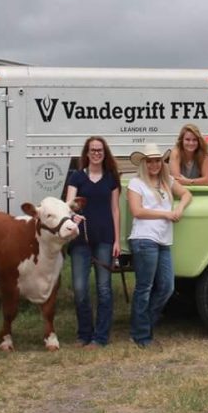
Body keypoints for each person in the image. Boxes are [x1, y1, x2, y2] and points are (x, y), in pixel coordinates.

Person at [127, 143, 192, 348]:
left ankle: (143, 326)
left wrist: (179, 208)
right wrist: (166, 213)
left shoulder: (167, 181)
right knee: (144, 288)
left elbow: (187, 194)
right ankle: (142, 335)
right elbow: (137, 211)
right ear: (144, 164)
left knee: (166, 287)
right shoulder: (136, 183)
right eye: (150, 161)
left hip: (163, 240)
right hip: (144, 239)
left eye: (157, 160)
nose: (154, 164)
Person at [64, 136, 121, 349]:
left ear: (104, 154)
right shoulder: (77, 178)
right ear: (86, 154)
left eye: (100, 150)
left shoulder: (110, 179)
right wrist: (72, 216)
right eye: (92, 150)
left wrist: (117, 240)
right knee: (80, 288)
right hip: (81, 240)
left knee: (104, 288)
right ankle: (84, 333)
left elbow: (115, 210)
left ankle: (101, 337)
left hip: (105, 239)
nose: (96, 153)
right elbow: (68, 206)